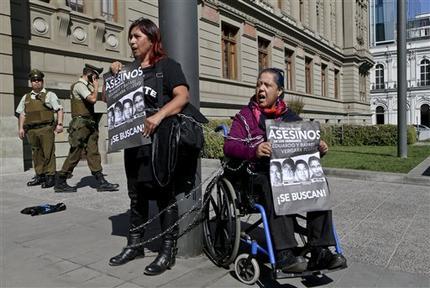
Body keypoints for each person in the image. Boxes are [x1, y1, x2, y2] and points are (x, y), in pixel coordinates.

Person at [224, 68, 346, 273]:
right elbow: (230, 146)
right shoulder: (245, 117)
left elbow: (304, 151)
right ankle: (284, 255)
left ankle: (320, 251)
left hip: (287, 173)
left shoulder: (291, 118)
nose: (261, 89)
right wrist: (254, 150)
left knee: (318, 181)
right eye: (258, 84)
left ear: (279, 91)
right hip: (255, 176)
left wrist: (318, 148)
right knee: (275, 184)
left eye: (267, 85)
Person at [108, 18, 204, 276]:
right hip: (134, 142)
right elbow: (109, 99)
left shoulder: (167, 66)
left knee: (163, 194)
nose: (131, 41)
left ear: (152, 40)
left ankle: (167, 249)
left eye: (137, 36)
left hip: (160, 140)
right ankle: (135, 244)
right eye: (130, 37)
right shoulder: (130, 70)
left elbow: (183, 96)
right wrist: (115, 73)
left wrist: (158, 116)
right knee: (136, 194)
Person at [54, 64, 119, 193]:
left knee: (93, 152)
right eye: (95, 77)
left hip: (89, 123)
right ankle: (61, 181)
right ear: (90, 75)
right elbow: (93, 99)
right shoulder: (79, 86)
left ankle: (100, 181)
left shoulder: (86, 86)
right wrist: (96, 87)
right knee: (75, 152)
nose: (96, 79)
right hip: (80, 124)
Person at [16, 69, 64, 188]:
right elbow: (22, 114)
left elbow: (59, 109)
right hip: (31, 130)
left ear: (42, 81)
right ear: (31, 82)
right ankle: (40, 175)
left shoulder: (49, 95)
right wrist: (21, 128)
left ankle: (50, 176)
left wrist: (60, 124)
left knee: (48, 153)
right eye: (33, 80)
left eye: (38, 80)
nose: (36, 82)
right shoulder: (26, 97)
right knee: (36, 154)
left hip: (46, 128)